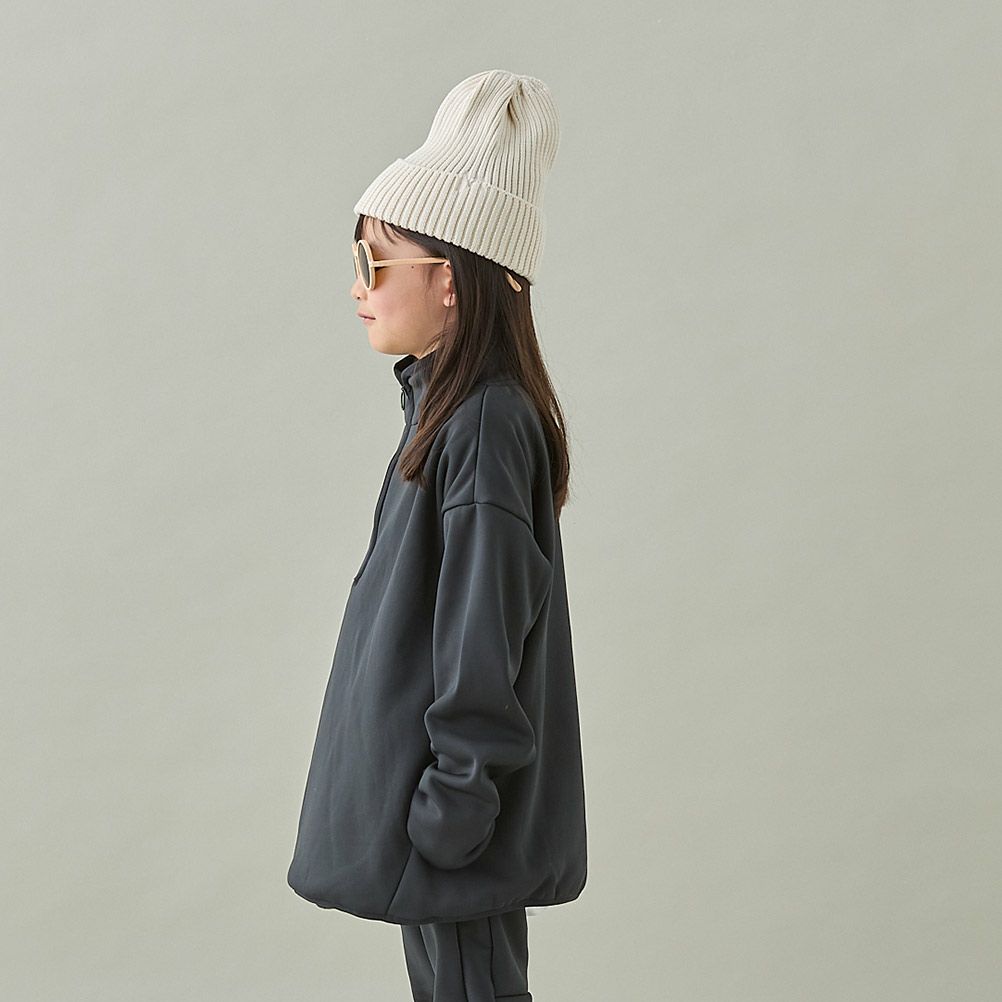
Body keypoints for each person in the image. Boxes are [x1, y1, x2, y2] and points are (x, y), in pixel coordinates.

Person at [286, 69, 587, 1002]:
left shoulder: (486, 424)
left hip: (455, 825)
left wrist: (453, 805)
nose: (358, 287)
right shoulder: (452, 415)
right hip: (442, 815)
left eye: (376, 261)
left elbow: (483, 633)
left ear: (449, 278)